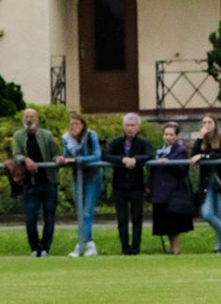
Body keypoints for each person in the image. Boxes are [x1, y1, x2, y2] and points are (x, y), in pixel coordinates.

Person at [12, 108, 61, 258]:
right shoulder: (19, 136)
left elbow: (55, 153)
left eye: (32, 117)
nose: (29, 120)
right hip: (31, 184)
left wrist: (58, 158)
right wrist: (26, 160)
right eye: (26, 117)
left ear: (37, 119)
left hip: (48, 183)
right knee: (30, 218)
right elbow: (16, 154)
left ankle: (45, 247)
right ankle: (34, 248)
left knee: (49, 218)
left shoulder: (46, 135)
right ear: (22, 120)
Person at [105, 113, 152, 256]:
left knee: (137, 217)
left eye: (133, 126)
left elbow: (149, 155)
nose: (130, 128)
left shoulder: (143, 143)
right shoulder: (116, 142)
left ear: (138, 128)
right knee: (122, 218)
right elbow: (106, 155)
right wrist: (122, 159)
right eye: (127, 125)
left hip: (136, 185)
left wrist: (136, 160)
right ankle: (125, 247)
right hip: (119, 185)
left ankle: (135, 248)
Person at [189, 114, 221, 254]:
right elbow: (193, 155)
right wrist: (199, 139)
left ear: (215, 124)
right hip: (207, 182)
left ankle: (218, 248)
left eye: (209, 122)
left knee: (220, 214)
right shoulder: (202, 141)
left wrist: (204, 156)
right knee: (207, 213)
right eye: (204, 122)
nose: (206, 125)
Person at [58, 114, 103, 258]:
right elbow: (66, 156)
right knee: (80, 212)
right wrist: (61, 159)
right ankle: (88, 244)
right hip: (77, 177)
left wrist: (78, 159)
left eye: (77, 124)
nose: (74, 127)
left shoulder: (91, 136)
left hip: (92, 176)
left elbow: (97, 155)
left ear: (83, 125)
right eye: (72, 124)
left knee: (87, 212)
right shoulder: (66, 138)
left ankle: (82, 244)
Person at [149, 122, 195, 255]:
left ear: (176, 136)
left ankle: (175, 249)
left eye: (171, 134)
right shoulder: (158, 151)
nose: (168, 137)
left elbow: (182, 170)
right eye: (166, 134)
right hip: (159, 191)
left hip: (173, 191)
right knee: (164, 222)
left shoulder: (180, 151)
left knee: (174, 223)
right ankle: (170, 248)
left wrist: (169, 164)